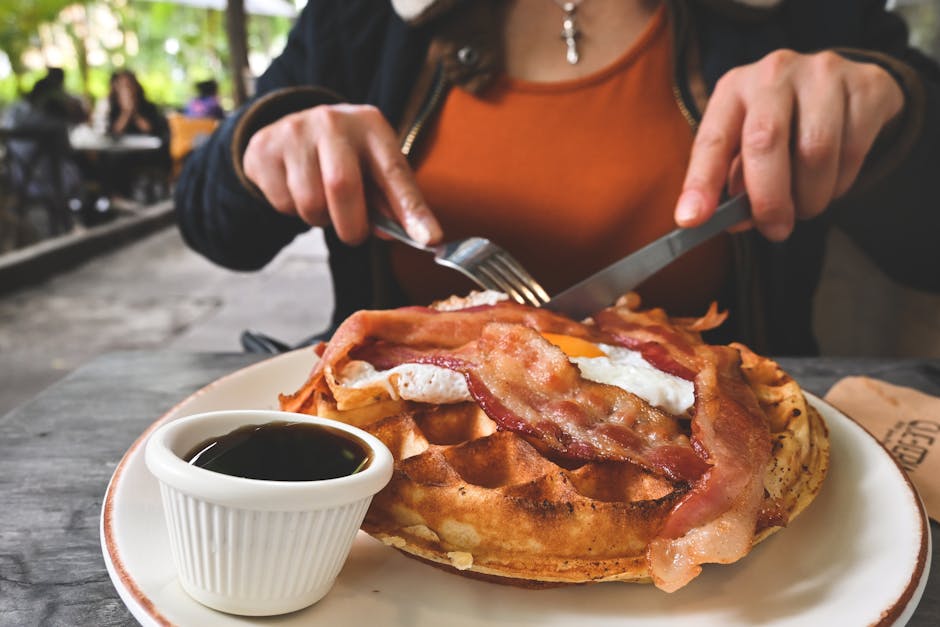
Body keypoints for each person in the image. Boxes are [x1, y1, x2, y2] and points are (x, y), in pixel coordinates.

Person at [174, 0, 940, 356]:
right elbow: (210, 226)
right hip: (387, 500)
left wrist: (893, 107)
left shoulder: (799, 13)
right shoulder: (364, 19)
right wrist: (263, 142)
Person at [104, 69, 171, 199]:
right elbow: (115, 132)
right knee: (109, 159)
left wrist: (134, 113)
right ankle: (116, 196)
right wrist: (126, 113)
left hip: (147, 152)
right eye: (122, 86)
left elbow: (150, 129)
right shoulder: (114, 109)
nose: (127, 90)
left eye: (129, 85)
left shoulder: (148, 107)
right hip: (123, 151)